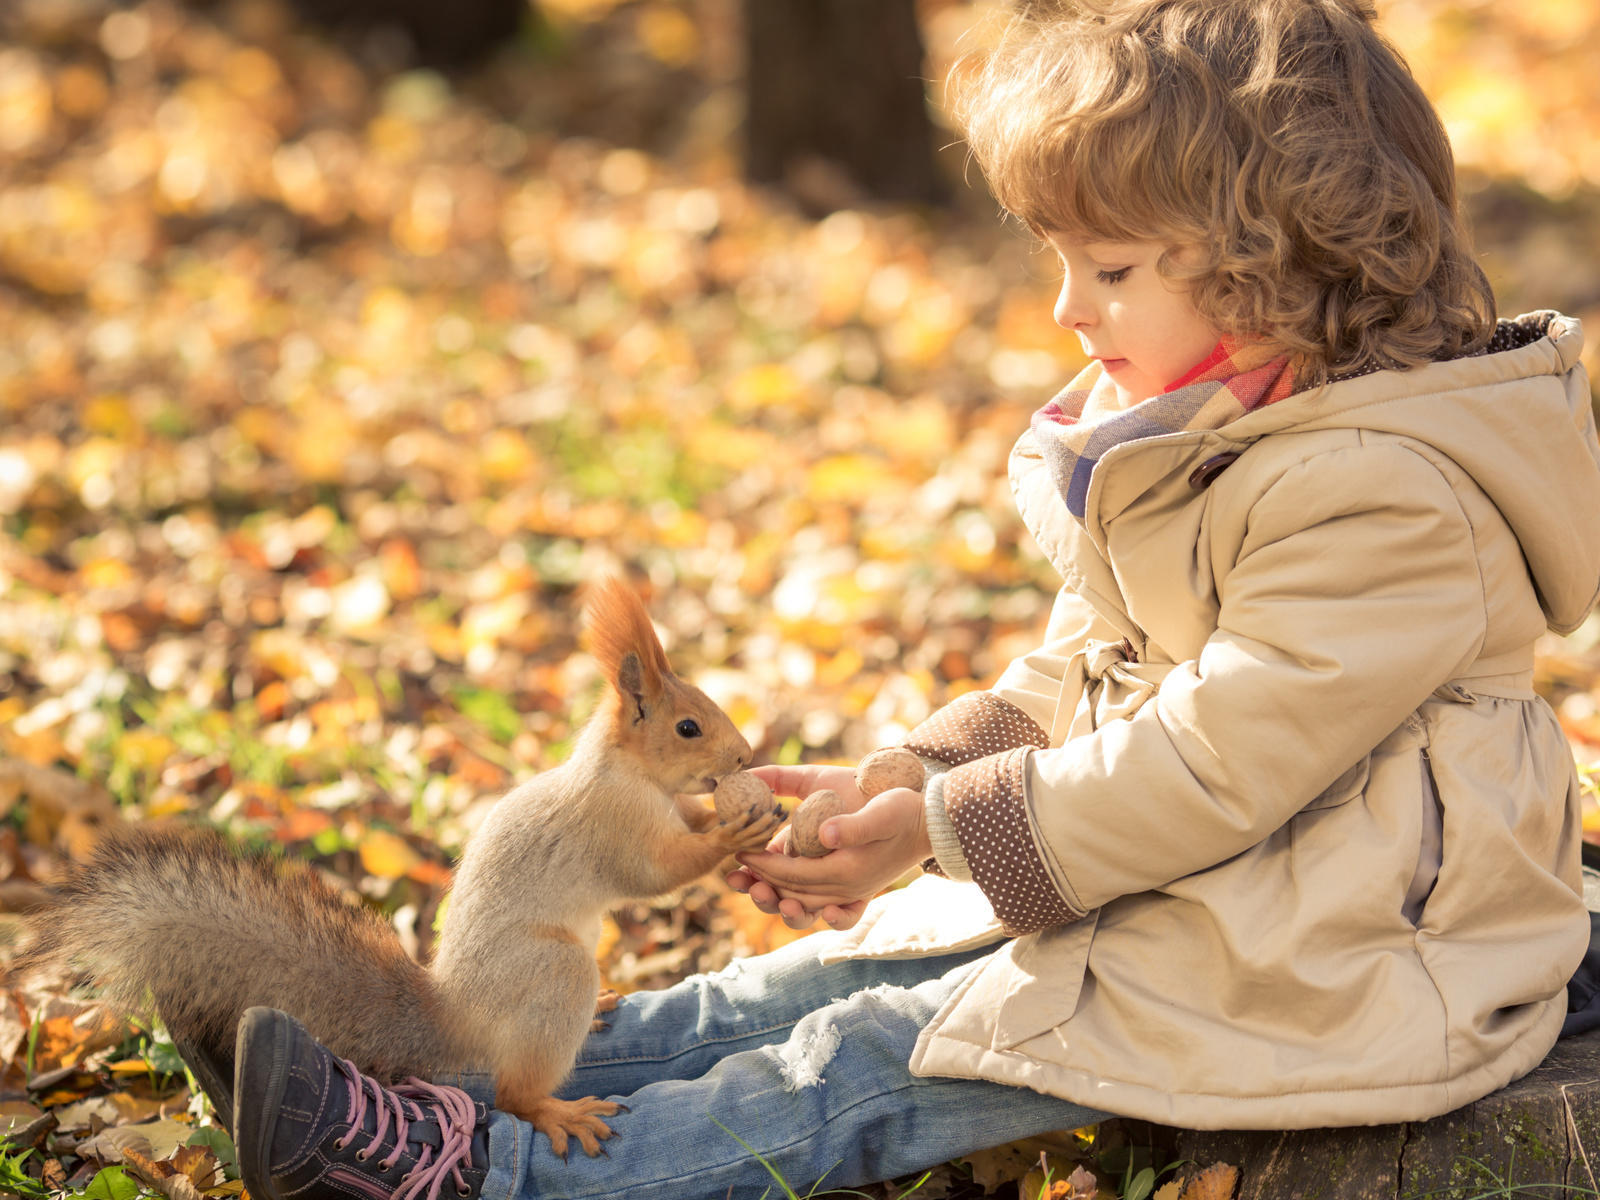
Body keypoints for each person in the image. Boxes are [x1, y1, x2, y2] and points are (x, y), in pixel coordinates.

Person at [223, 1, 1600, 1197]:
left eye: (1108, 268)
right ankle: (429, 1074)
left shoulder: (1382, 495)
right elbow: (1082, 676)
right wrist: (913, 774)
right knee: (813, 987)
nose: (1067, 308)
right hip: (1214, 893)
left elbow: (1215, 761)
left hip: (1333, 954)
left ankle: (477, 1176)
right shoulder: (1210, 435)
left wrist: (937, 833)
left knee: (874, 1060)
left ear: (1274, 265)